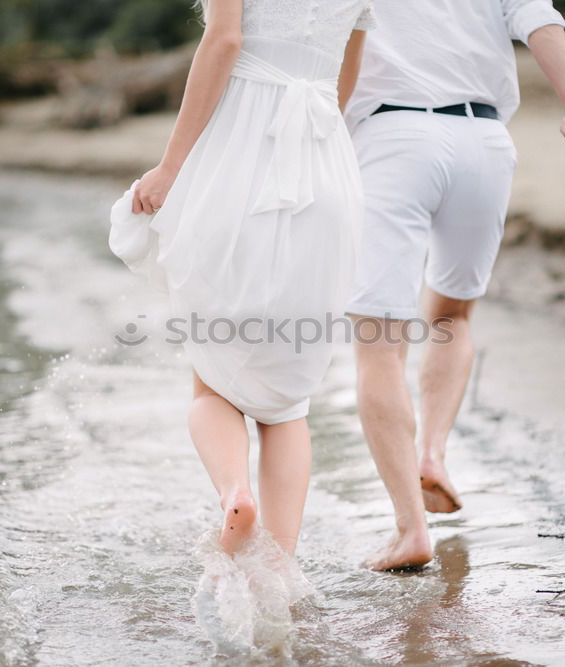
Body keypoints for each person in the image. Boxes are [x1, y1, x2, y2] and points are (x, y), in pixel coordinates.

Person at [344, 0, 565, 571]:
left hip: (391, 138)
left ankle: (409, 530)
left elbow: (330, 44)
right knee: (452, 316)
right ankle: (433, 453)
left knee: (378, 345)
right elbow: (542, 22)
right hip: (484, 143)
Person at [109, 0, 376, 557]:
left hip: (240, 166)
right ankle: (280, 570)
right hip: (326, 172)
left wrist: (172, 166)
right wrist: (312, 140)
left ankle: (235, 492)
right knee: (289, 402)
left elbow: (223, 42)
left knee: (211, 375)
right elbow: (345, 75)